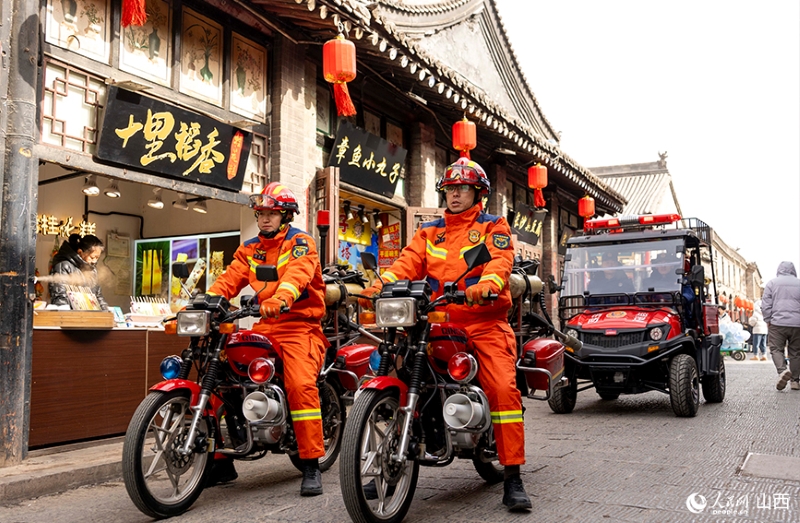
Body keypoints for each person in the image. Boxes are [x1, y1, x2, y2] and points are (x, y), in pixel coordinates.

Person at [358, 157, 532, 511]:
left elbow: (500, 260)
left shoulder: (493, 226)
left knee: (501, 388)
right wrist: (380, 283)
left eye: (463, 188)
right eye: (450, 188)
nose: (455, 194)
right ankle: (389, 453)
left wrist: (487, 283)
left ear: (477, 192)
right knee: (393, 366)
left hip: (483, 323)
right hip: (435, 322)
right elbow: (406, 262)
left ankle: (512, 475)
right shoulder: (428, 232)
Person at [205, 182, 328, 496]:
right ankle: (220, 460)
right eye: (261, 213)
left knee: (300, 385)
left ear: (286, 215)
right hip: (265, 325)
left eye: (272, 213)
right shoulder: (249, 248)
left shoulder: (301, 242)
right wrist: (206, 301)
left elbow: (297, 274)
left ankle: (311, 461)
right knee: (220, 377)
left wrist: (283, 298)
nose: (265, 219)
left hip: (300, 327)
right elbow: (230, 277)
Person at [761, 261, 800, 391]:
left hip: (777, 323)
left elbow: (766, 304)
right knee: (795, 352)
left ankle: (782, 371)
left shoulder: (772, 283)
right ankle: (795, 381)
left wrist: (768, 319)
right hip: (797, 324)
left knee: (776, 349)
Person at [49, 233, 108, 310]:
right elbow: (60, 297)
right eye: (92, 257)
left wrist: (107, 312)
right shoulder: (64, 266)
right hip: (71, 318)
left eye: (97, 258)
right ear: (80, 252)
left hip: (89, 318)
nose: (95, 261)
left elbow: (98, 296)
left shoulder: (93, 270)